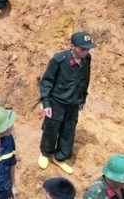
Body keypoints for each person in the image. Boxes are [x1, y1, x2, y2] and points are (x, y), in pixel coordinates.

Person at [38, 32, 95, 174]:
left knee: (68, 131)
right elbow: (46, 82)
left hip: (74, 103)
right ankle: (46, 154)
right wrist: (46, 103)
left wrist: (83, 98)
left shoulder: (87, 59)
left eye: (88, 49)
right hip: (57, 102)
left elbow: (85, 80)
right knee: (51, 129)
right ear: (72, 47)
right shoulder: (59, 60)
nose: (86, 52)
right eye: (82, 49)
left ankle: (60, 157)